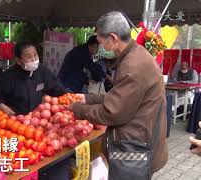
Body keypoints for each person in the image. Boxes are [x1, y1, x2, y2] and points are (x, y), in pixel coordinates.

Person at [70, 11, 168, 177]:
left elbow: (112, 112)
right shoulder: (136, 54)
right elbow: (121, 97)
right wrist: (88, 98)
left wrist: (77, 110)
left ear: (113, 38)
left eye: (101, 42)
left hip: (135, 147)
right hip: (143, 139)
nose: (102, 47)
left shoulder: (132, 66)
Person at [0, 41, 67, 115]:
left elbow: (56, 88)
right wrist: (1, 105)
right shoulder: (8, 76)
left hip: (35, 118)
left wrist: (72, 96)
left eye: (35, 55)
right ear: (19, 61)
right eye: (29, 57)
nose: (34, 59)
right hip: (14, 120)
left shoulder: (42, 71)